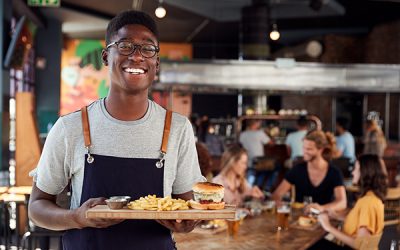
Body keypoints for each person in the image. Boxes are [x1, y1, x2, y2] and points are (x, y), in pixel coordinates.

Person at [28, 10, 205, 250]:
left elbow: (188, 207)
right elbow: (37, 207)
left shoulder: (177, 128)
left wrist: (187, 223)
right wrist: (77, 217)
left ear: (156, 63)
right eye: (125, 46)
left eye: (148, 49)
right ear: (105, 56)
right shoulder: (70, 127)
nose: (137, 56)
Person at [312, 154, 388, 249]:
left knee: (313, 245)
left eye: (356, 169)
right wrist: (336, 216)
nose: (353, 173)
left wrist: (328, 227)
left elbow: (362, 245)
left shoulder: (367, 202)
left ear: (365, 172)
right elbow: (360, 224)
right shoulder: (373, 197)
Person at [272, 130, 347, 212]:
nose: (304, 152)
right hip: (300, 219)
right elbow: (277, 194)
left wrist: (322, 208)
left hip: (324, 219)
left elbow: (342, 202)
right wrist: (279, 203)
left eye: (309, 149)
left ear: (321, 150)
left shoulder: (334, 172)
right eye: (304, 148)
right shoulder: (297, 170)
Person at [239, 119, 271, 185]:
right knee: (269, 170)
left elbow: (240, 145)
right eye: (258, 122)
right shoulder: (260, 133)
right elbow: (271, 143)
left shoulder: (243, 134)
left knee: (251, 173)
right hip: (259, 161)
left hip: (247, 159)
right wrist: (268, 133)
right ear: (255, 124)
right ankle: (263, 188)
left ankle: (250, 187)